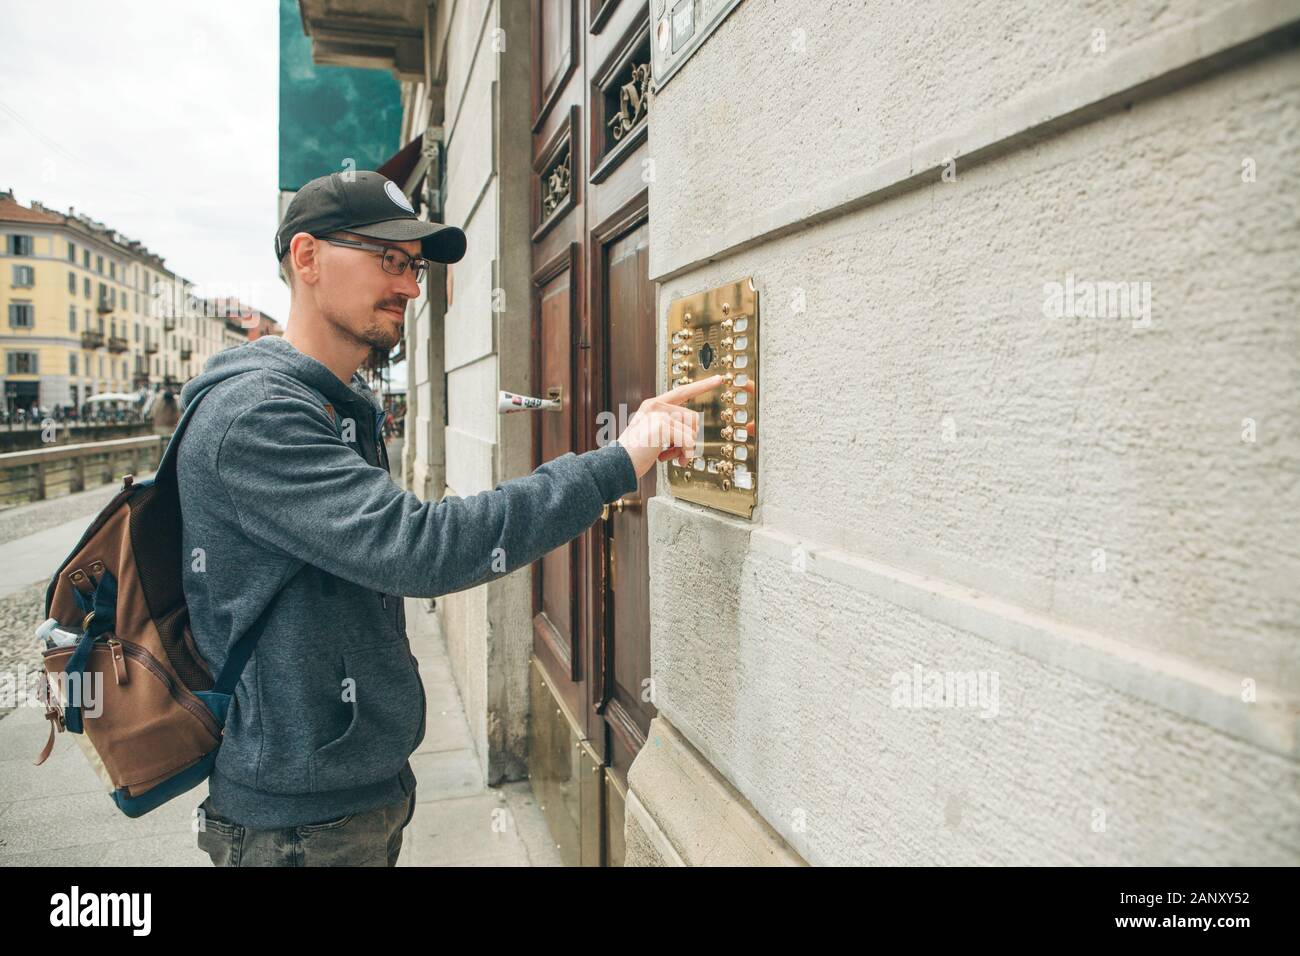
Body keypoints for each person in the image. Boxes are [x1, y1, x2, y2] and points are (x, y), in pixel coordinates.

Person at [176, 170, 719, 866]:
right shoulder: (256, 415)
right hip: (295, 825)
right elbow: (422, 548)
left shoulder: (333, 404)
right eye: (387, 260)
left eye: (414, 267)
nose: (408, 286)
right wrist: (620, 459)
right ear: (306, 258)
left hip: (345, 796)